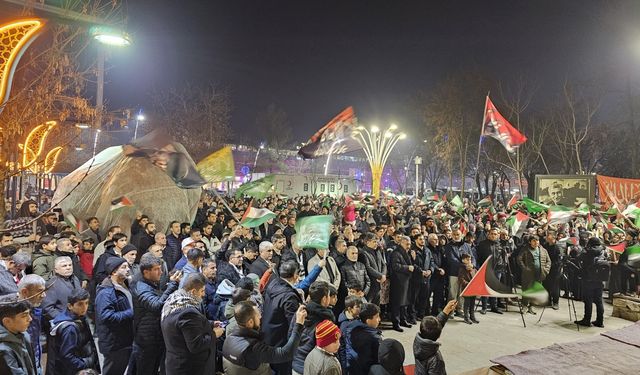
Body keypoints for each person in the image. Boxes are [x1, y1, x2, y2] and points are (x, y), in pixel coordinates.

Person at [161, 273, 225, 375]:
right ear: (193, 291)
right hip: (188, 367)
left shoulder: (175, 299)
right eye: (202, 291)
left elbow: (184, 326)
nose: (203, 294)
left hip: (175, 361)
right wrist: (214, 334)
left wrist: (211, 323)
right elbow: (196, 345)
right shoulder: (187, 312)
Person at [222, 301, 307, 375]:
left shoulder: (228, 338)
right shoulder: (254, 348)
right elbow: (287, 353)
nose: (260, 317)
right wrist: (298, 324)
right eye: (257, 315)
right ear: (250, 322)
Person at [131, 253, 181, 374]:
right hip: (146, 340)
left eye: (160, 268)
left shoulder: (150, 282)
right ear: (146, 272)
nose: (161, 272)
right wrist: (173, 285)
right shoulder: (141, 287)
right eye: (156, 269)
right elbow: (156, 306)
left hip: (154, 336)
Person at [262, 260, 304, 375]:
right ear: (295, 275)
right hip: (281, 343)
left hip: (268, 337)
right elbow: (293, 325)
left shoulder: (273, 283)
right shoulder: (289, 297)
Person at [95, 257, 134, 375]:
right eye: (123, 267)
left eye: (128, 267)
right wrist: (132, 313)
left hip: (125, 339)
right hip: (114, 342)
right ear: (113, 272)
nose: (128, 270)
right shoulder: (106, 292)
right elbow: (106, 317)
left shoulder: (126, 284)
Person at [46, 289, 99, 375]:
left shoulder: (79, 317)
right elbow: (67, 356)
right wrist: (85, 364)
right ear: (70, 306)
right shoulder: (70, 328)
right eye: (80, 304)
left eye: (86, 303)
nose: (84, 307)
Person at [292, 281, 336, 375]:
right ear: (324, 299)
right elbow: (329, 348)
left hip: (296, 364)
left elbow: (290, 336)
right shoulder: (326, 320)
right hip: (314, 367)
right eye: (329, 295)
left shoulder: (300, 312)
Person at [413, 300, 457, 375]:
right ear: (439, 335)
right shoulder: (436, 360)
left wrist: (445, 312)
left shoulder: (418, 342)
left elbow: (434, 327)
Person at [574, 237, 609, 327]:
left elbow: (578, 258)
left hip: (588, 279)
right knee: (599, 301)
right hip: (600, 280)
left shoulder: (587, 252)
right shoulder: (603, 251)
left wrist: (585, 248)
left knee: (588, 300)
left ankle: (587, 320)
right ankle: (600, 321)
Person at [0, 295, 36, 375]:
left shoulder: (24, 335)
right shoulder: (3, 351)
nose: (30, 319)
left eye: (29, 314)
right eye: (24, 315)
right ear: (7, 321)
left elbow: (33, 364)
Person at [17, 274, 46, 373]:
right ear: (25, 292)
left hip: (36, 361)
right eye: (40, 291)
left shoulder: (35, 308)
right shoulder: (14, 316)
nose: (44, 295)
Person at [342, 303, 382, 375]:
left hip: (350, 369)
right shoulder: (375, 338)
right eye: (377, 317)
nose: (379, 319)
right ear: (368, 320)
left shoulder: (349, 327)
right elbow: (378, 360)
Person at [517, 235, 551, 315]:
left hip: (540, 274)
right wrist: (525, 268)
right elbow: (519, 259)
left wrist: (546, 270)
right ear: (530, 242)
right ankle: (524, 306)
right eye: (534, 241)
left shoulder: (543, 250)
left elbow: (548, 261)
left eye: (537, 241)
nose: (536, 242)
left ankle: (532, 306)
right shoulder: (525, 249)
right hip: (528, 274)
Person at [42, 256, 81, 324]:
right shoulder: (52, 284)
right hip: (63, 322)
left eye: (70, 265)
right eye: (64, 266)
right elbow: (47, 308)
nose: (68, 268)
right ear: (56, 269)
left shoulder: (75, 279)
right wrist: (62, 319)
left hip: (78, 318)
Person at [445, 229, 472, 316]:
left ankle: (460, 309)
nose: (456, 236)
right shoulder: (449, 246)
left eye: (458, 234)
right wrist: (465, 266)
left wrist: (472, 265)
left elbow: (473, 257)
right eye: (454, 234)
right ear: (452, 235)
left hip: (465, 274)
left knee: (462, 293)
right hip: (454, 272)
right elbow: (452, 259)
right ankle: (451, 311)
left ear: (462, 235)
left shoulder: (467, 245)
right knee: (453, 293)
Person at [390, 236, 414, 332]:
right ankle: (396, 323)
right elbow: (395, 266)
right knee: (397, 303)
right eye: (407, 244)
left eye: (409, 244)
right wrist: (407, 267)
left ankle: (403, 320)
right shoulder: (396, 253)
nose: (409, 246)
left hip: (406, 281)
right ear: (401, 243)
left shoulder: (408, 253)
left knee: (404, 302)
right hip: (398, 281)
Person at [358, 233, 387, 305]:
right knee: (368, 306)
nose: (376, 243)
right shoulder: (363, 253)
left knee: (377, 305)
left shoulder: (378, 251)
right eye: (374, 241)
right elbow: (368, 267)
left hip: (379, 283)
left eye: (377, 242)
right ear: (367, 242)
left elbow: (384, 265)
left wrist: (383, 275)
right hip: (370, 284)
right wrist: (380, 276)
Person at [458, 254, 478, 324]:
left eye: (470, 259)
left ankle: (472, 316)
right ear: (463, 260)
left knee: (472, 304)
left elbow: (476, 276)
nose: (469, 261)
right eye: (467, 259)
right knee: (467, 304)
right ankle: (466, 317)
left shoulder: (473, 268)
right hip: (467, 289)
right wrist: (468, 284)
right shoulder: (462, 268)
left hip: (473, 289)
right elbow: (461, 279)